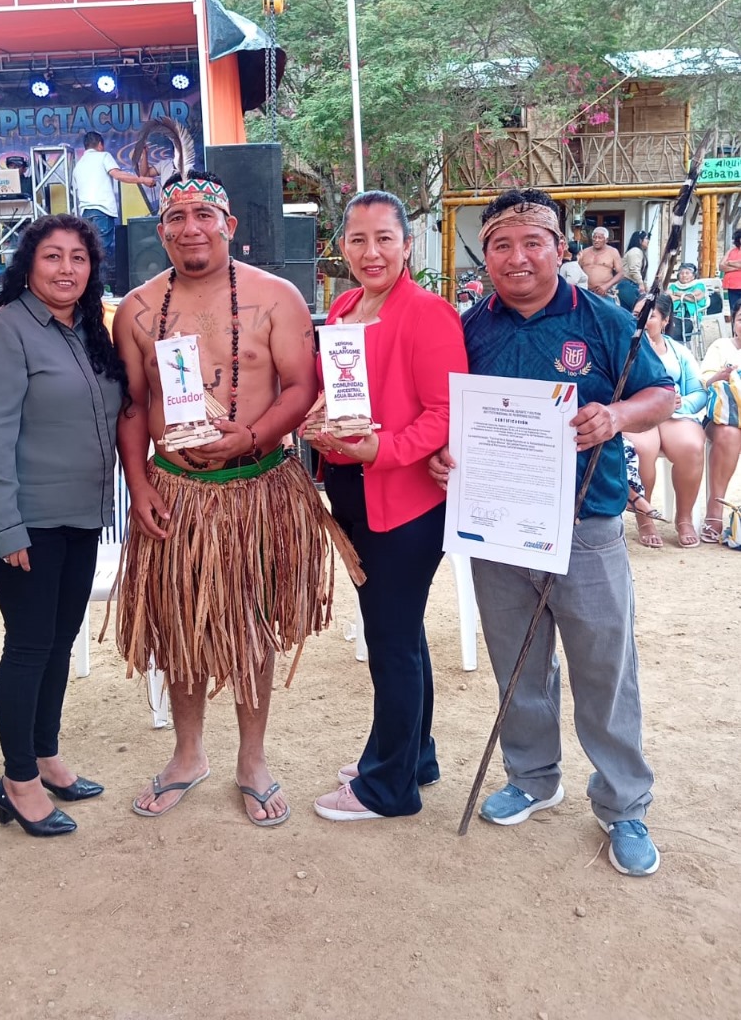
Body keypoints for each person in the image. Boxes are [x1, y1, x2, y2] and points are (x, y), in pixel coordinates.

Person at [430, 187, 675, 878]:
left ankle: (622, 802)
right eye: (501, 244)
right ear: (486, 256)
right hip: (497, 525)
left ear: (560, 248)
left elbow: (661, 393)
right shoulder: (467, 327)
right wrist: (441, 454)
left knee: (603, 666)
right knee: (518, 660)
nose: (517, 256)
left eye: (532, 241)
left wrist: (615, 416)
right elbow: (442, 411)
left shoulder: (604, 320)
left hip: (586, 523)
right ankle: (533, 777)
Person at [113, 169, 361, 826]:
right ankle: (187, 755)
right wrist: (138, 485)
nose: (190, 227)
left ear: (229, 225)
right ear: (161, 230)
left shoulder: (276, 297)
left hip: (256, 488)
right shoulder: (136, 309)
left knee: (250, 625)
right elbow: (132, 404)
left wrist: (250, 436)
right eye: (176, 217)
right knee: (180, 625)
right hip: (175, 493)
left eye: (204, 214)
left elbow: (301, 388)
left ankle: (252, 760)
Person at [302, 191, 468, 822]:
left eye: (384, 239)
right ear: (342, 245)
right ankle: (413, 756)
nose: (371, 252)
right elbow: (339, 394)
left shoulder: (428, 314)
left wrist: (385, 448)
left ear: (406, 244)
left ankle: (387, 787)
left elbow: (446, 412)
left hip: (405, 503)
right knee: (402, 633)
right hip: (355, 493)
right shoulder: (345, 307)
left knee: (391, 641)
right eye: (358, 239)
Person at [0, 214, 129, 838]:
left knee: (60, 641)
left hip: (81, 515)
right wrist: (6, 527)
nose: (67, 268)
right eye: (52, 256)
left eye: (78, 258)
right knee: (30, 645)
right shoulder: (5, 331)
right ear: (28, 265)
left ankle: (44, 755)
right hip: (26, 519)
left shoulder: (89, 329)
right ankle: (18, 781)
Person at [625, 294, 707, 548]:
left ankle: (684, 517)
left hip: (674, 414)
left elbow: (699, 391)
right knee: (641, 449)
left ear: (665, 320)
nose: (641, 319)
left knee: (691, 446)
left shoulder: (678, 351)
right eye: (636, 314)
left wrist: (683, 403)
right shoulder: (623, 347)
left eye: (649, 315)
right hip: (638, 412)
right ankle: (645, 517)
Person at [73, 132, 158, 287]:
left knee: (90, 252)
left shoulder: (78, 165)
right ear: (100, 144)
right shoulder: (103, 156)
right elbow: (117, 175)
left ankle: (89, 288)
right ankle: (100, 289)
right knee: (101, 252)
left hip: (86, 213)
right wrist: (142, 180)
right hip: (101, 212)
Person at [699, 299, 741, 544]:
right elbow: (704, 382)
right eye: (740, 319)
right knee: (729, 434)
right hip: (722, 419)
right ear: (733, 322)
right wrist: (721, 376)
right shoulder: (721, 347)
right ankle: (715, 510)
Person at [667, 262, 707, 345]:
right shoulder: (674, 286)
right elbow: (669, 296)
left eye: (687, 273)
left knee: (685, 323)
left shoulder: (699, 285)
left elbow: (695, 297)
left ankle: (684, 342)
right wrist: (685, 297)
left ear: (693, 275)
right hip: (675, 311)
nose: (684, 275)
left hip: (691, 313)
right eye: (681, 273)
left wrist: (679, 294)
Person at [578, 227, 623, 298]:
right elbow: (577, 270)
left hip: (605, 293)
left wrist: (606, 286)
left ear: (606, 240)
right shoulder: (584, 252)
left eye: (600, 238)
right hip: (586, 292)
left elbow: (621, 273)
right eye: (594, 237)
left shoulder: (613, 252)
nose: (596, 240)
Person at [618, 230, 650, 311]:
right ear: (640, 240)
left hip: (629, 285)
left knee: (627, 312)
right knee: (638, 310)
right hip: (629, 285)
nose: (648, 240)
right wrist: (641, 284)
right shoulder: (635, 251)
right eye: (646, 238)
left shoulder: (638, 252)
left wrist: (645, 285)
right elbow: (634, 269)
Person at [719, 229, 741, 319]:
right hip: (732, 286)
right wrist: (737, 266)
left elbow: (726, 264)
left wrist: (729, 263)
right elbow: (721, 266)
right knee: (734, 310)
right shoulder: (731, 251)